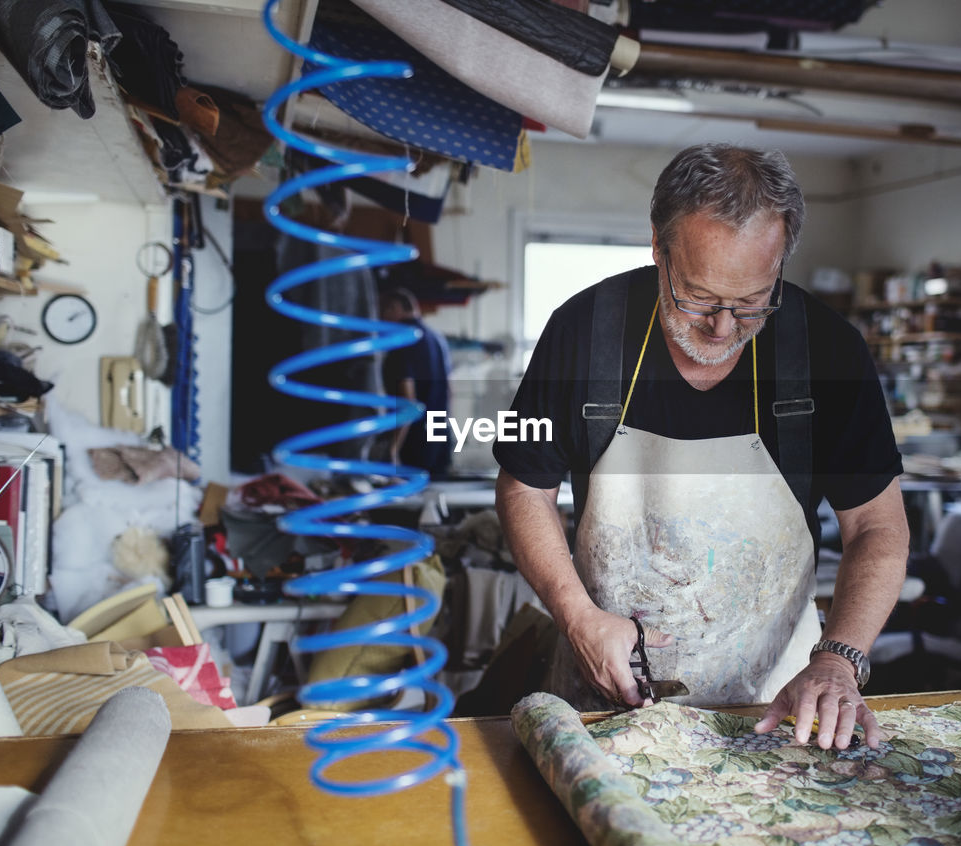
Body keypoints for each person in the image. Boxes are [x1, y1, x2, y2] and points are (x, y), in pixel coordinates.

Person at [493, 143, 909, 750]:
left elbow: (877, 525)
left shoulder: (830, 351)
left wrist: (838, 660)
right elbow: (523, 485)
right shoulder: (580, 332)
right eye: (697, 298)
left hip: (775, 708)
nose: (720, 328)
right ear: (659, 249)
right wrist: (576, 617)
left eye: (749, 305)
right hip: (603, 702)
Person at [379, 288, 452, 478]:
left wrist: (391, 450)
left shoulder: (403, 341)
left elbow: (408, 401)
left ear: (394, 309)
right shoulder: (438, 339)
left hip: (414, 447)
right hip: (440, 442)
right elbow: (449, 391)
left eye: (381, 313)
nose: (378, 322)